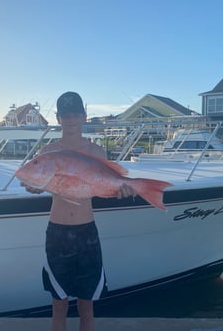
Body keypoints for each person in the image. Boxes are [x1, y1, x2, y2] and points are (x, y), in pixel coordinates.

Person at [22, 91, 135, 331]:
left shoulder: (97, 152)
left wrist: (122, 190)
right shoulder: (48, 152)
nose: (70, 119)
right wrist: (35, 187)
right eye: (65, 114)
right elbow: (42, 182)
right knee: (58, 304)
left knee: (87, 305)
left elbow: (105, 186)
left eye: (75, 114)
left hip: (87, 233)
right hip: (57, 233)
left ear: (84, 116)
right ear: (58, 118)